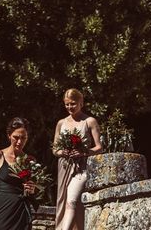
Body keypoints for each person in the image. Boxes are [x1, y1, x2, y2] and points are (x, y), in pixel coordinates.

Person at [53, 89, 102, 230]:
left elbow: (99, 147)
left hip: (81, 167)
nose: (70, 107)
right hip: (64, 166)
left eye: (73, 104)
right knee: (63, 201)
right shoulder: (61, 123)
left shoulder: (89, 121)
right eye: (67, 104)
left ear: (81, 103)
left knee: (72, 200)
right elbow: (55, 149)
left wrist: (83, 152)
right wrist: (63, 151)